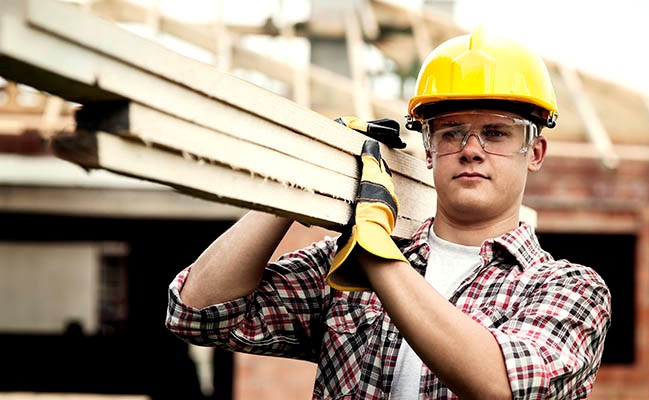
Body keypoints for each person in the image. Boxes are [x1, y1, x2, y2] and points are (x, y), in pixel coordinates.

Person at [166, 26, 611, 399]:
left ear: (535, 152)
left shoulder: (569, 289)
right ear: (429, 150)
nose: (472, 150)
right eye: (451, 132)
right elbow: (197, 312)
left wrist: (375, 255)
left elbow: (500, 384)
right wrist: (301, 186)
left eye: (496, 132)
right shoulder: (345, 263)